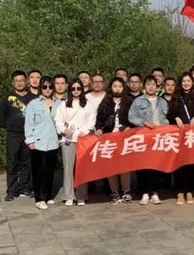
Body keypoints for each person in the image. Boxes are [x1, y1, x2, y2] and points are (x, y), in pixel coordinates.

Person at [128, 75, 169, 205]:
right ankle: (145, 192)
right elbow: (131, 117)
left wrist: (164, 125)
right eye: (148, 84)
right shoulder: (138, 101)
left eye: (153, 85)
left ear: (157, 87)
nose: (151, 87)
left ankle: (155, 192)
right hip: (144, 136)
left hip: (158, 137)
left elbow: (167, 118)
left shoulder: (162, 102)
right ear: (144, 86)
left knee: (156, 165)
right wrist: (144, 122)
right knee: (143, 165)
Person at [54, 78, 96, 206]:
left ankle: (81, 195)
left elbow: (91, 121)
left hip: (83, 139)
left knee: (81, 168)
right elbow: (58, 120)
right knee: (68, 168)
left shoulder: (87, 105)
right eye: (73, 88)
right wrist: (64, 130)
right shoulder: (64, 104)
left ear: (82, 89)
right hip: (68, 140)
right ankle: (69, 196)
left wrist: (84, 131)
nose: (76, 91)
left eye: (78, 88)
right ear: (70, 89)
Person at [24, 76, 61, 210]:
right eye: (45, 87)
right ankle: (39, 198)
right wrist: (30, 140)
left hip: (53, 141)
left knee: (50, 170)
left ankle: (48, 195)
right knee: (38, 171)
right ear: (40, 88)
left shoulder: (59, 103)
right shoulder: (33, 104)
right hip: (38, 142)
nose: (48, 89)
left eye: (50, 87)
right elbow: (28, 123)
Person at [0, 70, 35, 201]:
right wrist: (11, 127)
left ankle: (24, 187)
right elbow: (2, 117)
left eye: (21, 80)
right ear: (13, 83)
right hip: (13, 135)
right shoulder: (7, 98)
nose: (19, 83)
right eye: (16, 81)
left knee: (27, 162)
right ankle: (11, 190)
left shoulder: (33, 98)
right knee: (12, 162)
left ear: (26, 82)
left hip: (29, 135)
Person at [95, 77, 132, 205]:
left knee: (125, 166)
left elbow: (134, 118)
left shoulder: (129, 102)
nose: (117, 88)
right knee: (111, 166)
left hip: (124, 138)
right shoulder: (105, 102)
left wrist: (129, 127)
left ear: (124, 88)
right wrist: (99, 129)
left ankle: (126, 192)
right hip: (109, 138)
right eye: (115, 86)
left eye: (120, 86)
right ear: (111, 87)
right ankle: (114, 192)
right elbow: (99, 119)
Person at [168, 72, 194, 205]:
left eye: (188, 81)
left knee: (191, 163)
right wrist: (176, 118)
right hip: (179, 133)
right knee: (179, 162)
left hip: (193, 134)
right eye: (184, 81)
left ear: (192, 82)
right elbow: (170, 114)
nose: (186, 83)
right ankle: (179, 191)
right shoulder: (176, 96)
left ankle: (189, 190)